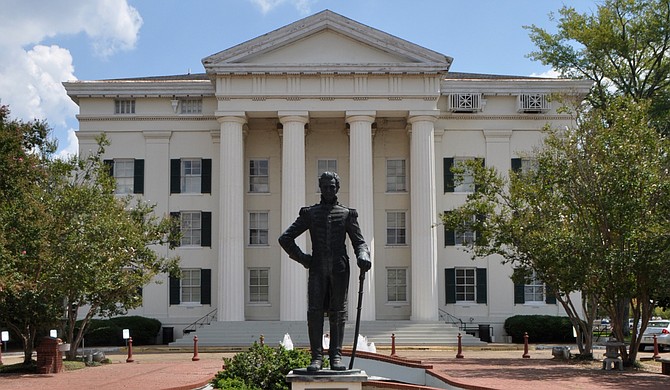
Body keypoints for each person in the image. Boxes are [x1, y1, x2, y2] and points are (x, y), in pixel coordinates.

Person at [278, 171, 371, 371]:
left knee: (338, 313)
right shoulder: (311, 214)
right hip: (318, 268)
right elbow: (285, 238)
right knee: (315, 312)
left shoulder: (346, 214)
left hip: (339, 268)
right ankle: (316, 357)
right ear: (320, 188)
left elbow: (360, 242)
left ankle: (335, 356)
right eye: (325, 187)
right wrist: (304, 259)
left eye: (332, 186)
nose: (329, 190)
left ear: (337, 188)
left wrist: (364, 255)